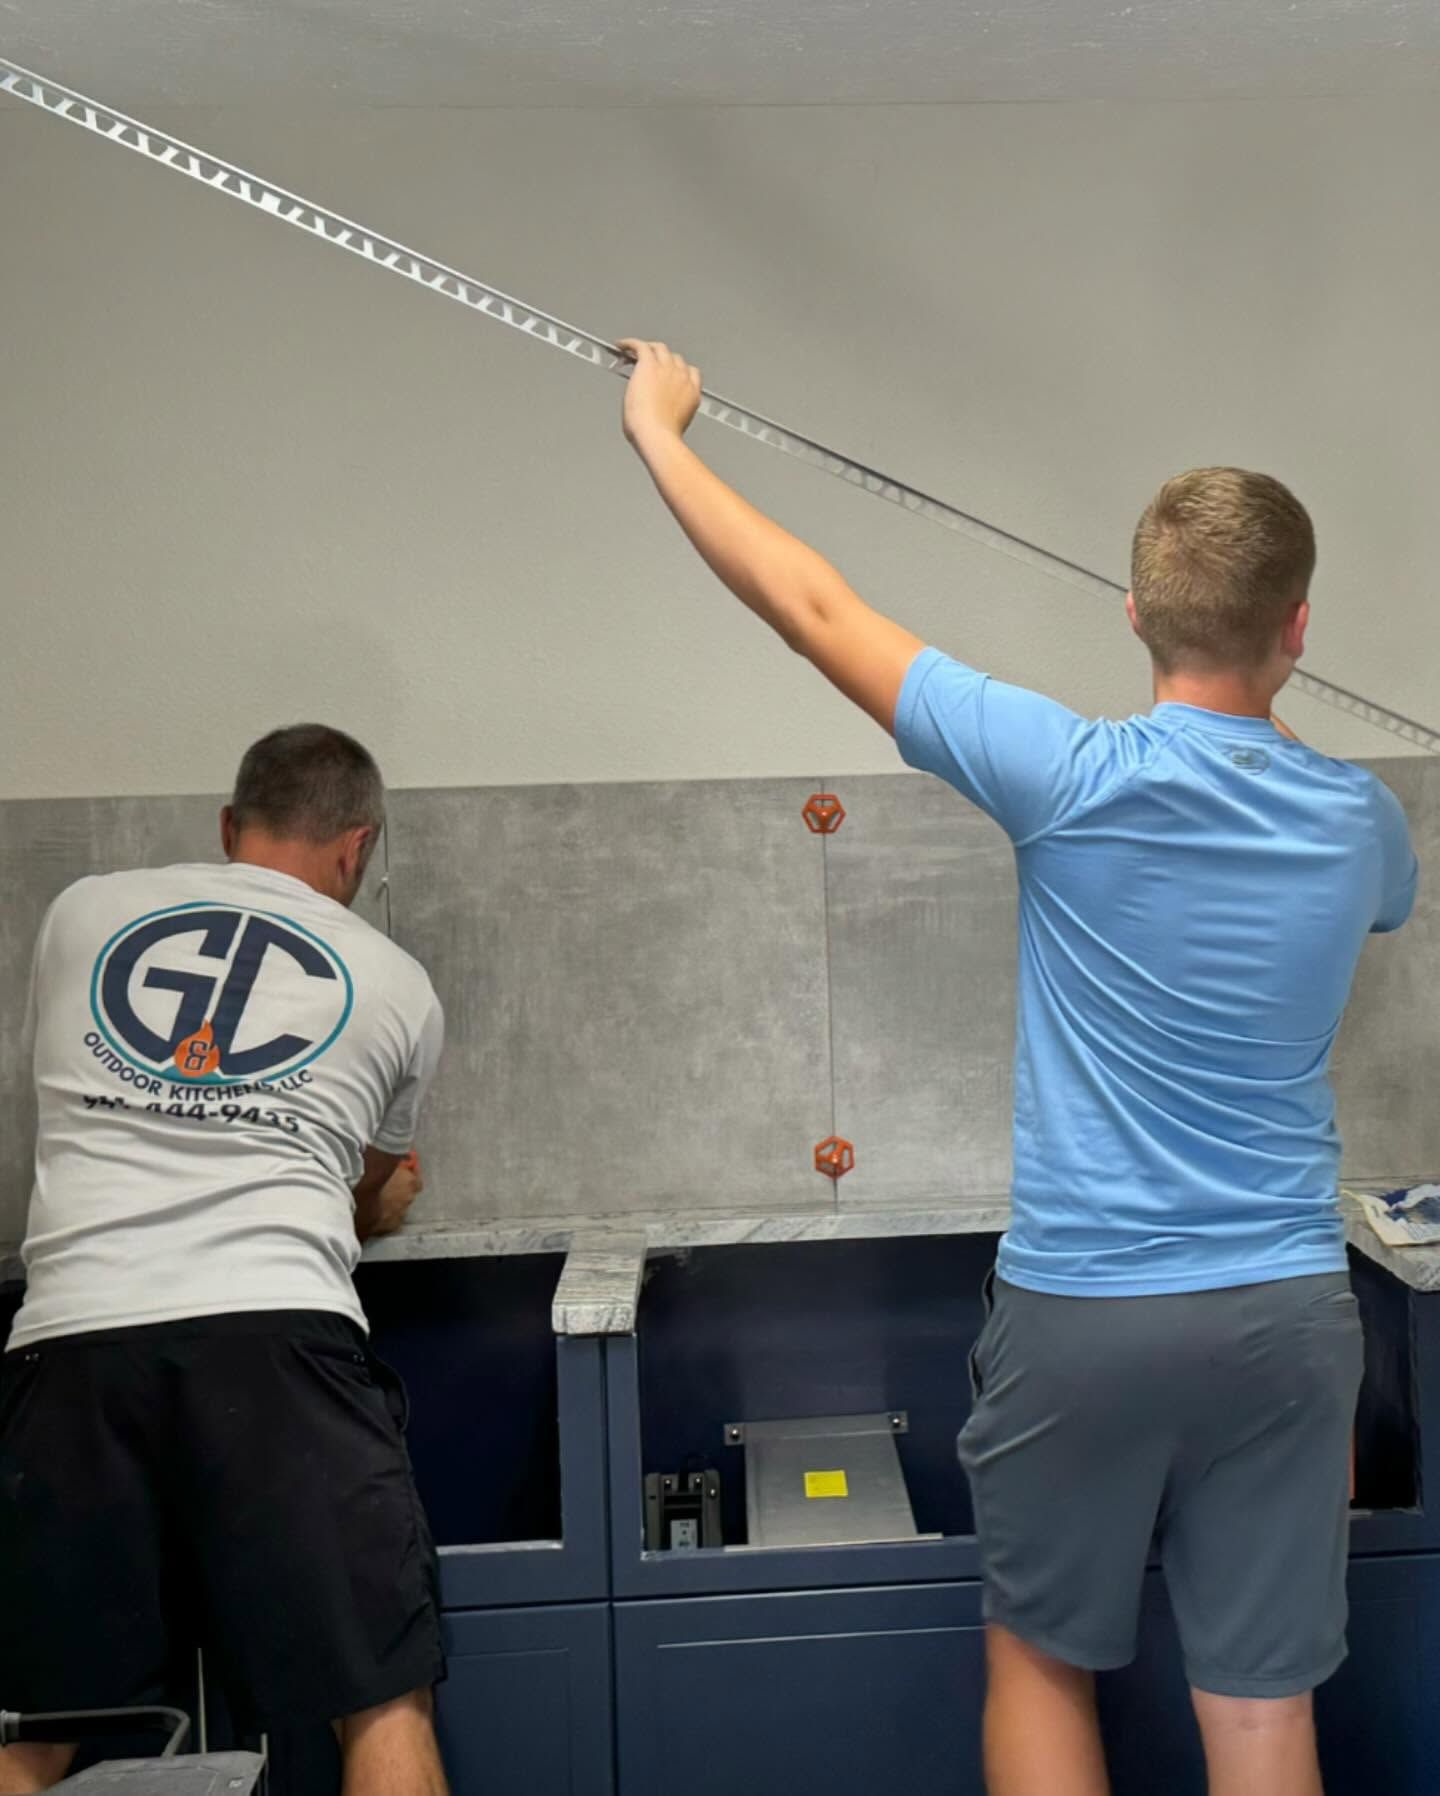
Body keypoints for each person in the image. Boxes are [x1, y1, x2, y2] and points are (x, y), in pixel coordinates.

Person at [615, 340, 1418, 1796]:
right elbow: (1370, 887)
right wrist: (1274, 720)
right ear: (1299, 622)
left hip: (1091, 1312)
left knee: (1042, 1666)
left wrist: (660, 433)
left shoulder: (1065, 773)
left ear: (1133, 616)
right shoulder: (1362, 826)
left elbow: (812, 609)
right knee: (1260, 1712)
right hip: (1287, 1322)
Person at [0, 725, 449, 1796]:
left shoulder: (83, 914)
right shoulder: (396, 984)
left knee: (27, 1724)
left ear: (226, 827)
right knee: (381, 1699)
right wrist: (372, 1197)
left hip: (72, 1349)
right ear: (357, 849)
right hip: (278, 1338)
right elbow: (370, 1189)